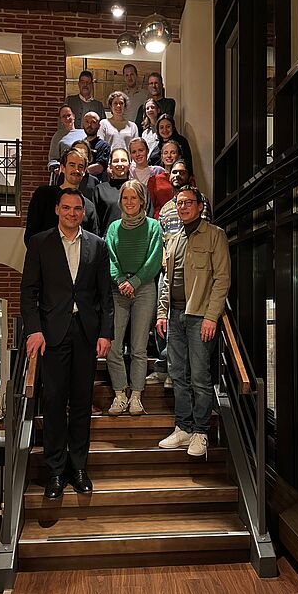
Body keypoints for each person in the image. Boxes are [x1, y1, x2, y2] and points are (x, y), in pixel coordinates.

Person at [21, 187, 114, 498]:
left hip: (86, 333)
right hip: (52, 334)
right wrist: (34, 330)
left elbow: (105, 295)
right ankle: (56, 472)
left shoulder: (98, 245)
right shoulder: (39, 243)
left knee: (82, 404)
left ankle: (78, 468)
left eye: (77, 209)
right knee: (54, 403)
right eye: (67, 208)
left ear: (83, 213)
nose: (72, 213)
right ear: (57, 210)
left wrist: (105, 333)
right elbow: (28, 292)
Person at [156, 186, 231, 457]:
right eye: (179, 203)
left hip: (200, 316)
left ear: (200, 206)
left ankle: (201, 431)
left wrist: (212, 316)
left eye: (189, 202)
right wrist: (161, 312)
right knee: (178, 374)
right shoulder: (173, 239)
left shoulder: (215, 235)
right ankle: (183, 427)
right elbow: (167, 281)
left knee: (199, 375)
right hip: (174, 316)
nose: (183, 207)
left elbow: (222, 279)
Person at [146, 160, 212, 387]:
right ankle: (164, 366)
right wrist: (164, 255)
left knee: (188, 321)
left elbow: (203, 232)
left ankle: (179, 371)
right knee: (162, 317)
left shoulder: (200, 201)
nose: (177, 175)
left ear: (189, 176)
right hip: (169, 269)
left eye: (181, 172)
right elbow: (161, 237)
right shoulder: (166, 208)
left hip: (194, 270)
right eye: (174, 172)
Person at [105, 180, 163, 416]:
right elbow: (109, 258)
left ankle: (136, 396)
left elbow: (154, 259)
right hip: (118, 290)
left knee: (139, 348)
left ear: (142, 201)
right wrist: (121, 281)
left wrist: (135, 282)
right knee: (113, 347)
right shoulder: (113, 228)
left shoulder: (153, 226)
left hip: (144, 289)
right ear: (121, 201)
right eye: (125, 198)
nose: (129, 202)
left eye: (134, 198)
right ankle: (120, 394)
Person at [24, 149, 99, 245]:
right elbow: (31, 236)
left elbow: (92, 243)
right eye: (72, 165)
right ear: (62, 168)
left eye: (80, 166)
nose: (76, 170)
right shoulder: (43, 195)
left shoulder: (89, 206)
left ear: (84, 171)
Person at [93, 147, 154, 237]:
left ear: (129, 164)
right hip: (109, 240)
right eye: (116, 161)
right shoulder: (100, 190)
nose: (120, 164)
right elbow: (96, 223)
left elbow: (149, 217)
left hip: (138, 238)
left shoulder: (141, 188)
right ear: (110, 165)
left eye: (123, 160)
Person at [129, 137, 173, 218]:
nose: (138, 154)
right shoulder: (129, 173)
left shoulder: (159, 171)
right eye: (134, 152)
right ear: (131, 155)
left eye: (141, 150)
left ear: (147, 151)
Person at [82, 111, 110, 180]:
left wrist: (81, 172)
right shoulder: (79, 145)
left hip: (95, 183)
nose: (89, 125)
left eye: (93, 122)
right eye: (87, 122)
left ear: (98, 126)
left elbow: (99, 168)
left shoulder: (104, 145)